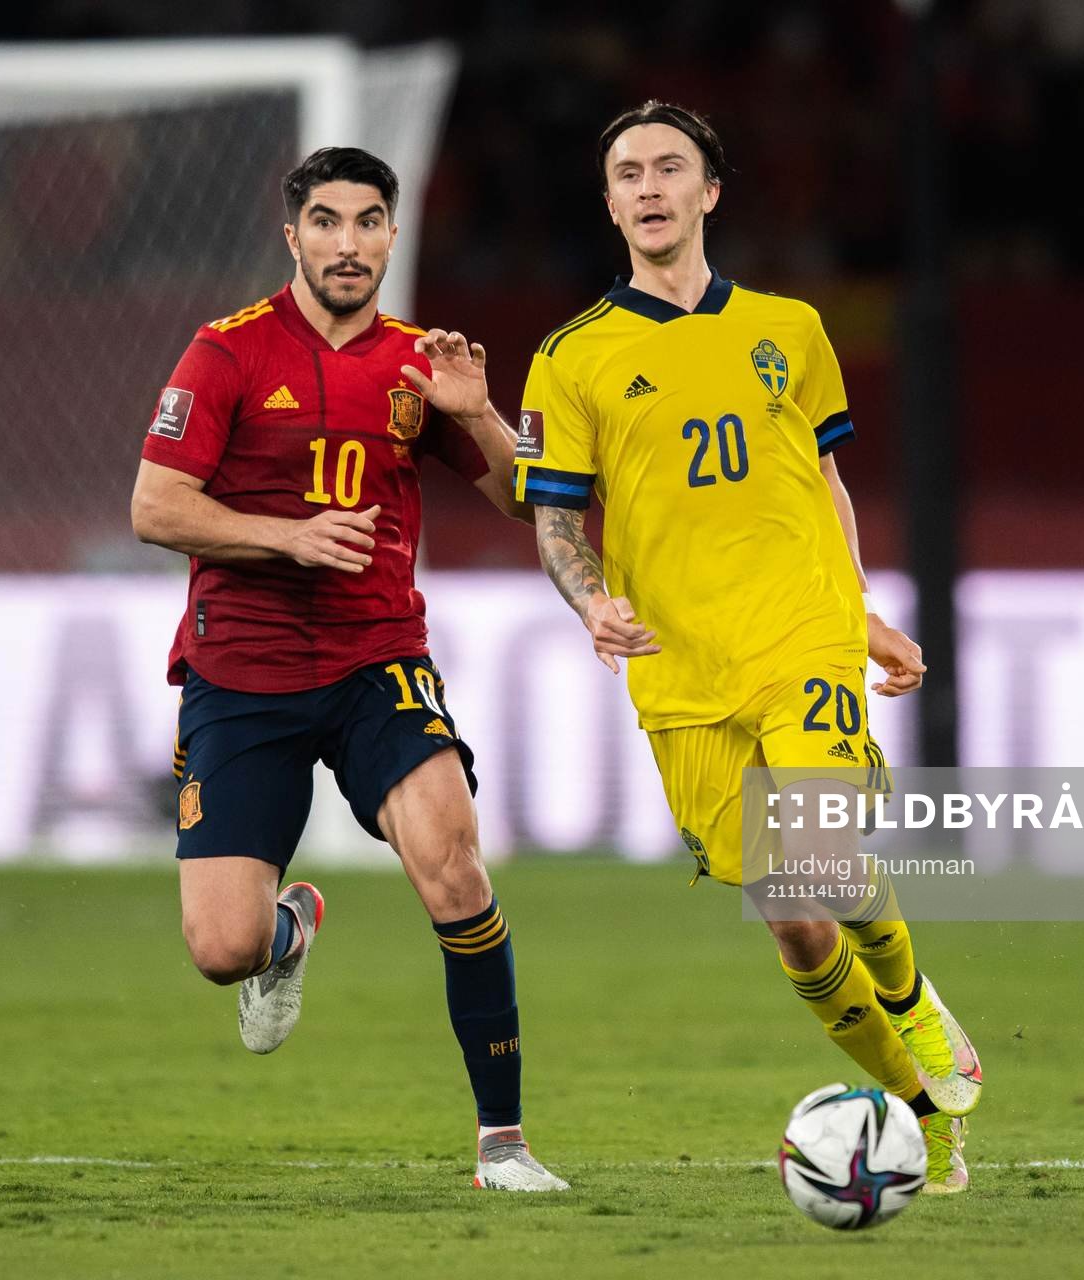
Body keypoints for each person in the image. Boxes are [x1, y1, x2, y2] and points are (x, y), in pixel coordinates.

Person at [512, 103, 982, 1192]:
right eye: (627, 171)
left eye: (670, 166)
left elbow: (821, 481)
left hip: (800, 634)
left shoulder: (791, 328)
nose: (648, 186)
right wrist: (590, 603)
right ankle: (920, 1115)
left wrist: (858, 611)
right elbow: (554, 519)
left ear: (710, 191)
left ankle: (914, 1004)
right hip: (681, 672)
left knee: (812, 848)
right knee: (795, 918)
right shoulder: (572, 357)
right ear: (610, 202)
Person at [130, 146, 565, 1192]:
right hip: (242, 671)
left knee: (455, 864)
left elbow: (525, 500)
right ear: (294, 237)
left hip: (379, 658)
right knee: (220, 946)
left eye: (369, 222)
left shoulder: (422, 361)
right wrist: (289, 537)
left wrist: (479, 411)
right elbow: (154, 506)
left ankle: (501, 1142)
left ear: (392, 235)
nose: (348, 243)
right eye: (326, 222)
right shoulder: (224, 353)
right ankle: (287, 928)